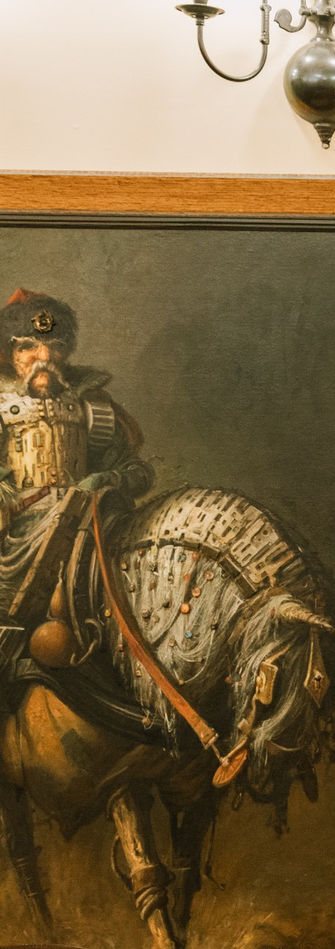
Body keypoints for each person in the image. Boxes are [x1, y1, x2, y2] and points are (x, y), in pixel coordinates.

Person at [0, 288, 150, 686]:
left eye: (55, 346)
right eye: (28, 347)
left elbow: (137, 471)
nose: (43, 357)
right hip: (15, 538)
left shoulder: (93, 407)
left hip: (86, 527)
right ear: (10, 354)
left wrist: (109, 480)